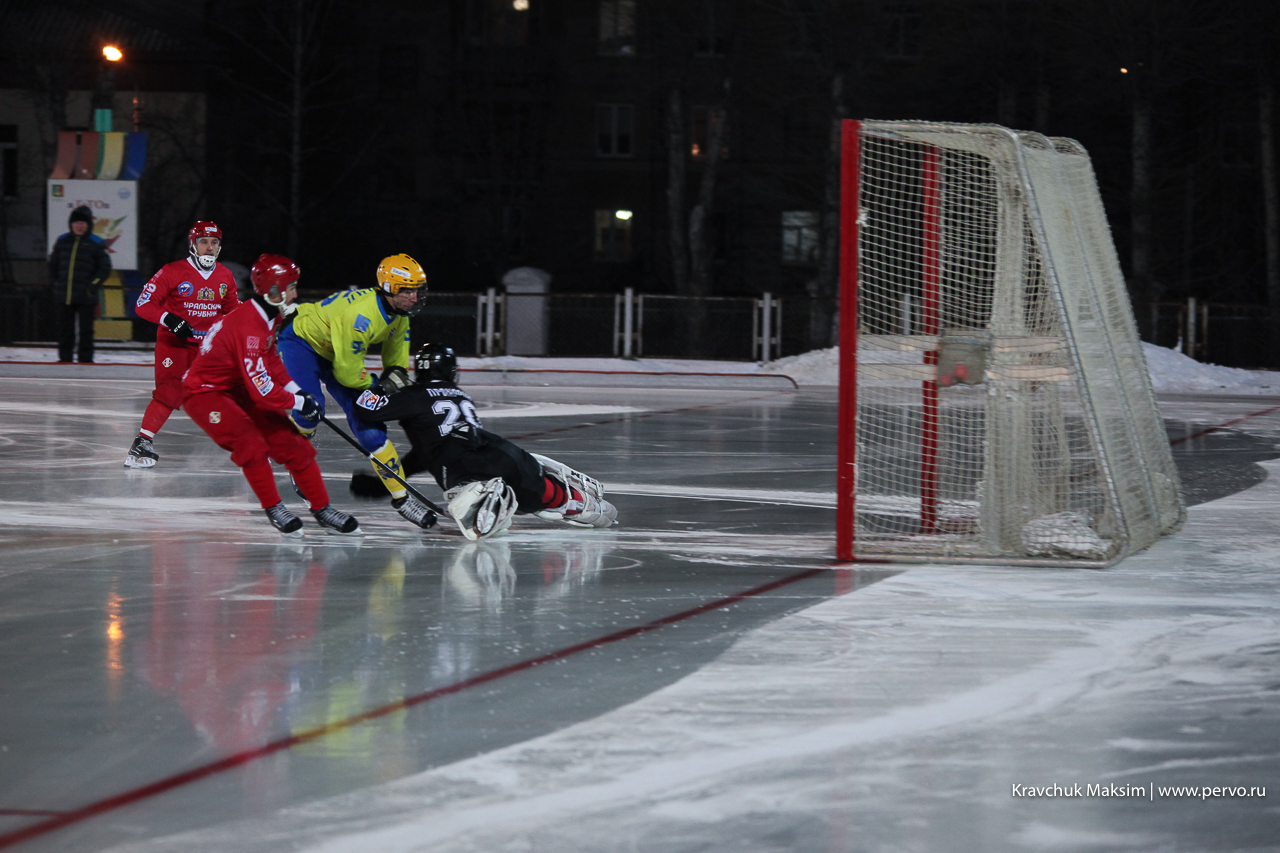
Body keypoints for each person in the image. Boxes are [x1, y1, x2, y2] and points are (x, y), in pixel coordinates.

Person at [349, 342, 618, 540]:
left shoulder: (414, 395)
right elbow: (425, 450)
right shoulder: (462, 396)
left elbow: (365, 409)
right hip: (495, 447)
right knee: (536, 492)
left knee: (468, 494)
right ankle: (573, 500)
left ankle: (490, 497)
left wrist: (380, 386)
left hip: (458, 461)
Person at [182, 254, 360, 536]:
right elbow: (261, 388)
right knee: (251, 444)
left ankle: (322, 508)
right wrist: (299, 401)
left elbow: (271, 361)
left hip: (237, 385)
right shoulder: (249, 326)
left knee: (294, 444)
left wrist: (297, 390)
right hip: (205, 393)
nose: (295, 293)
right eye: (291, 287)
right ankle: (274, 507)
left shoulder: (268, 315)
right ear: (273, 290)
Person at [277, 253, 436, 530]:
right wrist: (378, 388)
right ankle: (293, 456)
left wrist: (391, 382)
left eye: (417, 290)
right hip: (304, 343)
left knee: (371, 427)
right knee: (310, 410)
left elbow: (396, 365)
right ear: (388, 289)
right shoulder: (361, 316)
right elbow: (348, 374)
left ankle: (401, 498)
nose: (415, 297)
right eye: (408, 291)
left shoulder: (400, 315)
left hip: (337, 354)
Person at [125, 221, 240, 468]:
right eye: (204, 242)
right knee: (170, 392)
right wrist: (169, 318)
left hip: (208, 347)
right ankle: (142, 443)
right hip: (174, 344)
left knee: (226, 391)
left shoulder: (225, 275)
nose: (209, 247)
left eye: (214, 242)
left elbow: (232, 312)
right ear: (193, 245)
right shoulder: (172, 271)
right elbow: (143, 304)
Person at [47, 205, 112, 364]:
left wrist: (93, 285)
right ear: (71, 224)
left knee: (86, 331)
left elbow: (105, 267)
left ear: (88, 225)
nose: (79, 225)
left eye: (83, 223)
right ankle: (65, 360)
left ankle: (85, 360)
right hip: (64, 295)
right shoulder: (62, 241)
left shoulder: (95, 243)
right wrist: (55, 282)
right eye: (76, 222)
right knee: (65, 330)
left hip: (86, 296)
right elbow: (52, 264)